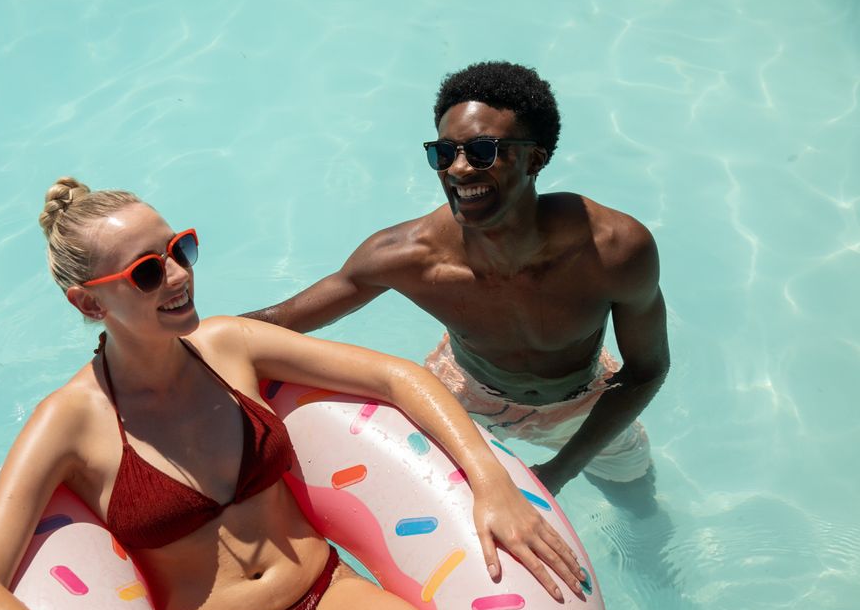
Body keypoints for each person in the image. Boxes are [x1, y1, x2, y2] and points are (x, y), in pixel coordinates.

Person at [0, 177, 586, 610]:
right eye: (145, 272)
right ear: (89, 304)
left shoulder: (227, 347)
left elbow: (395, 377)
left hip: (330, 594)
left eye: (179, 249)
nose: (178, 275)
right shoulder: (70, 422)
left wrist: (490, 481)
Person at [243, 61, 670, 500]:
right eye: (443, 154)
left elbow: (646, 370)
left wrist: (562, 468)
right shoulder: (409, 257)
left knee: (634, 489)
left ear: (535, 159)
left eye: (483, 151)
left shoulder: (612, 250)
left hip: (584, 401)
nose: (460, 170)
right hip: (464, 395)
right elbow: (276, 321)